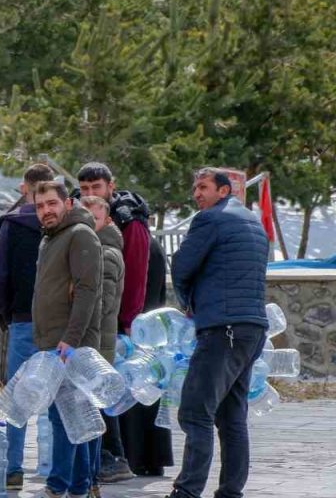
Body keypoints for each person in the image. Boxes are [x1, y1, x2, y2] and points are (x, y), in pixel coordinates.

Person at [166, 168, 269, 498]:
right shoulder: (254, 223)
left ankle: (187, 491)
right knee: (231, 417)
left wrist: (187, 302)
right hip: (252, 329)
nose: (197, 194)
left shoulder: (210, 220)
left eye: (203, 187)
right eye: (194, 187)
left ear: (224, 191)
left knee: (195, 412)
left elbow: (181, 266)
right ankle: (230, 492)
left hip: (221, 329)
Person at [77, 162, 151, 483]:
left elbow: (134, 275)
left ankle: (114, 457)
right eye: (85, 189)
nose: (91, 194)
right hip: (90, 322)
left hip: (116, 322)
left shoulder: (127, 219)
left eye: (97, 187)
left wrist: (128, 320)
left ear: (111, 185)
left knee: (107, 391)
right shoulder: (78, 216)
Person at [31, 181, 102, 498]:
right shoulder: (50, 239)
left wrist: (70, 339)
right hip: (53, 341)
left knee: (64, 419)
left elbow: (88, 291)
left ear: (67, 204)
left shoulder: (80, 235)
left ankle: (57, 486)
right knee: (71, 419)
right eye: (40, 206)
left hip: (70, 345)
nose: (46, 210)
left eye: (51, 204)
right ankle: (79, 486)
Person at [0, 163, 55, 490]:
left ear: (26, 188)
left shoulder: (12, 224)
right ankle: (53, 466)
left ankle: (13, 466)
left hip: (22, 319)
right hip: (56, 323)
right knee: (55, 395)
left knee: (17, 396)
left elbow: (0, 277)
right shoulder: (62, 222)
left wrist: (6, 314)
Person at [80, 195, 125, 498]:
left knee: (91, 415)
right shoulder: (94, 250)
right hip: (95, 344)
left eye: (92, 220)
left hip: (97, 345)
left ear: (106, 220)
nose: (86, 226)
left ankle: (90, 475)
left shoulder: (106, 254)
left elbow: (101, 304)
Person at [120, 239, 173, 477]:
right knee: (151, 392)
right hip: (154, 329)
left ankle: (136, 457)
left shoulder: (133, 244)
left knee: (135, 394)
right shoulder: (152, 244)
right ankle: (155, 458)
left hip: (135, 328)